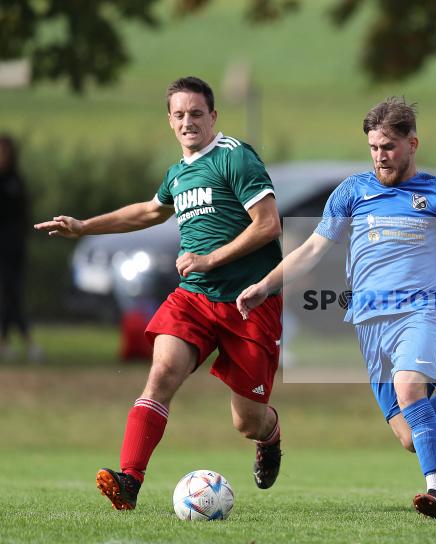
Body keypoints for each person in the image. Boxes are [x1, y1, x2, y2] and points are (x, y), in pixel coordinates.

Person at [237, 97, 436, 518]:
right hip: (369, 321)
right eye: (373, 147)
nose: (380, 156)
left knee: (410, 391)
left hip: (420, 312)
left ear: (412, 144)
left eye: (388, 146)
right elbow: (313, 249)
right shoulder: (352, 192)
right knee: (411, 435)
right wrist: (265, 285)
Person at [35, 76, 285, 510]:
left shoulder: (235, 157)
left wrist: (211, 258)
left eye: (197, 113)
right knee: (161, 374)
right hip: (195, 298)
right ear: (170, 120)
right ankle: (129, 481)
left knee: (247, 422)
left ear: (213, 116)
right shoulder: (178, 174)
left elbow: (268, 225)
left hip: (250, 302)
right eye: (180, 115)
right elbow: (149, 211)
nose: (188, 122)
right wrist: (84, 226)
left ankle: (271, 435)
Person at [0, 134, 42, 362]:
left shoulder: (15, 181)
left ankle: (9, 342)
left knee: (11, 293)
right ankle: (26, 341)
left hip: (13, 248)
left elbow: (23, 216)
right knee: (9, 294)